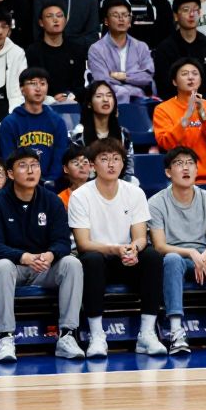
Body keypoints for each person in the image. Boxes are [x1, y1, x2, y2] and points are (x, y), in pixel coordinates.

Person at [69, 137, 166, 358]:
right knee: (91, 260)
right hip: (99, 258)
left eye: (116, 159)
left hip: (126, 258)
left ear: (123, 163)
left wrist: (133, 248)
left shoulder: (134, 192)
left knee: (151, 256)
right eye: (104, 159)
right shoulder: (80, 196)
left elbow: (141, 236)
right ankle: (96, 336)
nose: (111, 164)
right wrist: (116, 249)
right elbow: (83, 244)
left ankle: (148, 334)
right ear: (93, 165)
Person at [0, 148, 85, 362]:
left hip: (44, 267)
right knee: (1, 266)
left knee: (72, 263)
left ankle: (67, 336)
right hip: (15, 268)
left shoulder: (52, 201)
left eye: (35, 165)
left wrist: (51, 255)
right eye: (23, 165)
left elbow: (62, 241)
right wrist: (24, 257)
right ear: (11, 174)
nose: (31, 170)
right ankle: (5, 337)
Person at [148, 146, 206, 354]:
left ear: (197, 170)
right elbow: (159, 246)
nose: (186, 168)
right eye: (179, 164)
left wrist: (205, 255)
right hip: (176, 256)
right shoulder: (156, 202)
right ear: (168, 172)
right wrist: (191, 253)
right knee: (171, 259)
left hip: (205, 256)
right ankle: (176, 332)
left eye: (190, 163)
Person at [153, 58, 206, 185]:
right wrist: (187, 116)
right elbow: (166, 144)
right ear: (174, 81)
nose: (190, 77)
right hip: (177, 179)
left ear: (200, 80)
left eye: (195, 73)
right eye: (184, 74)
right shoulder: (163, 109)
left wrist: (202, 115)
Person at [0, 68, 69, 185]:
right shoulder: (9, 123)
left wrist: (49, 181)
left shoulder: (57, 122)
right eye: (32, 83)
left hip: (51, 186)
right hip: (19, 185)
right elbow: (8, 160)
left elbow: (59, 157)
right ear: (22, 89)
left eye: (42, 83)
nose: (38, 88)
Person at [153, 0, 206, 99]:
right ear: (176, 16)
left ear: (200, 13)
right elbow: (163, 84)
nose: (192, 15)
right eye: (186, 10)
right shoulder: (165, 48)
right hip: (175, 103)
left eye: (195, 10)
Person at [87, 0, 154, 102]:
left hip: (138, 100)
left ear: (130, 21)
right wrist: (129, 87)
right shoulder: (96, 49)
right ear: (106, 21)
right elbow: (102, 80)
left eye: (125, 15)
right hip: (110, 99)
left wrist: (123, 76)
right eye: (115, 15)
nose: (121, 19)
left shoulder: (141, 47)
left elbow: (147, 77)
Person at [70, 81, 136, 182]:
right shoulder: (78, 134)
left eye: (109, 96)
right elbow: (77, 170)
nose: (105, 100)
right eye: (99, 96)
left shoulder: (123, 133)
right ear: (89, 103)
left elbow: (129, 169)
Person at [25, 3, 87, 103]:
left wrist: (69, 96)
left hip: (71, 104)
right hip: (42, 104)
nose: (55, 20)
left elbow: (80, 86)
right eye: (49, 16)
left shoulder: (76, 50)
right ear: (41, 22)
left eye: (59, 16)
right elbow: (32, 84)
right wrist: (51, 99)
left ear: (65, 21)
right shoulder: (33, 51)